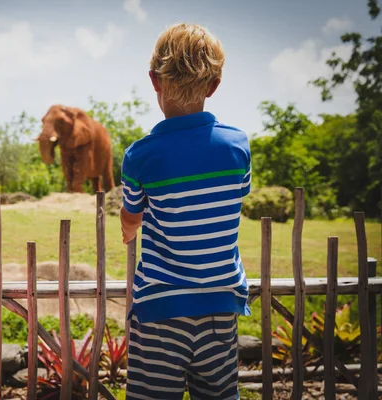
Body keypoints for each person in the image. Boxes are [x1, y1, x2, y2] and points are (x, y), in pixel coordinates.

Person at [120, 23, 251, 400]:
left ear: (154, 80)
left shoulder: (141, 155)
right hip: (220, 305)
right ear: (213, 86)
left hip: (161, 307)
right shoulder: (237, 146)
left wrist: (128, 231)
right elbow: (235, 196)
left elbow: (132, 216)